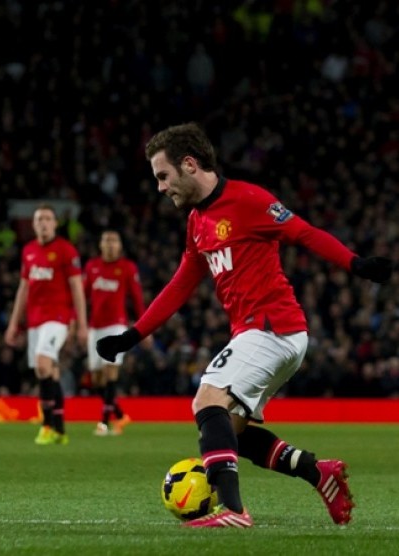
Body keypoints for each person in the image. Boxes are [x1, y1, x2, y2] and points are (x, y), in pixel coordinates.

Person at [97, 122, 394, 528]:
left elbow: (304, 233)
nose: (161, 188)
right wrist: (132, 335)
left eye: (163, 176)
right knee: (231, 431)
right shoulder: (198, 222)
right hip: (262, 334)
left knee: (207, 401)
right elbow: (182, 283)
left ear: (189, 164)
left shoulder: (250, 200)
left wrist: (355, 263)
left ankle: (233, 511)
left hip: (274, 327)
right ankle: (317, 472)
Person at [5, 204, 88, 445]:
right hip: (34, 321)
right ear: (33, 224)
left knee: (42, 363)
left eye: (48, 219)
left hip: (58, 318)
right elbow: (23, 289)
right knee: (49, 371)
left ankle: (46, 424)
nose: (43, 223)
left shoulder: (65, 250)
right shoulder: (28, 251)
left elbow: (77, 289)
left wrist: (81, 324)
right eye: (39, 219)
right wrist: (13, 323)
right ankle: (60, 429)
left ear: (54, 223)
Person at [83, 229, 145, 436]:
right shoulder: (92, 267)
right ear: (100, 245)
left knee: (110, 371)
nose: (110, 244)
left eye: (114, 240)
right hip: (95, 326)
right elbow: (82, 296)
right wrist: (77, 322)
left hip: (117, 325)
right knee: (97, 378)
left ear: (120, 245)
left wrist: (145, 326)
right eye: (107, 240)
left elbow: (137, 299)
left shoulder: (127, 268)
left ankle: (103, 423)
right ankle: (119, 415)